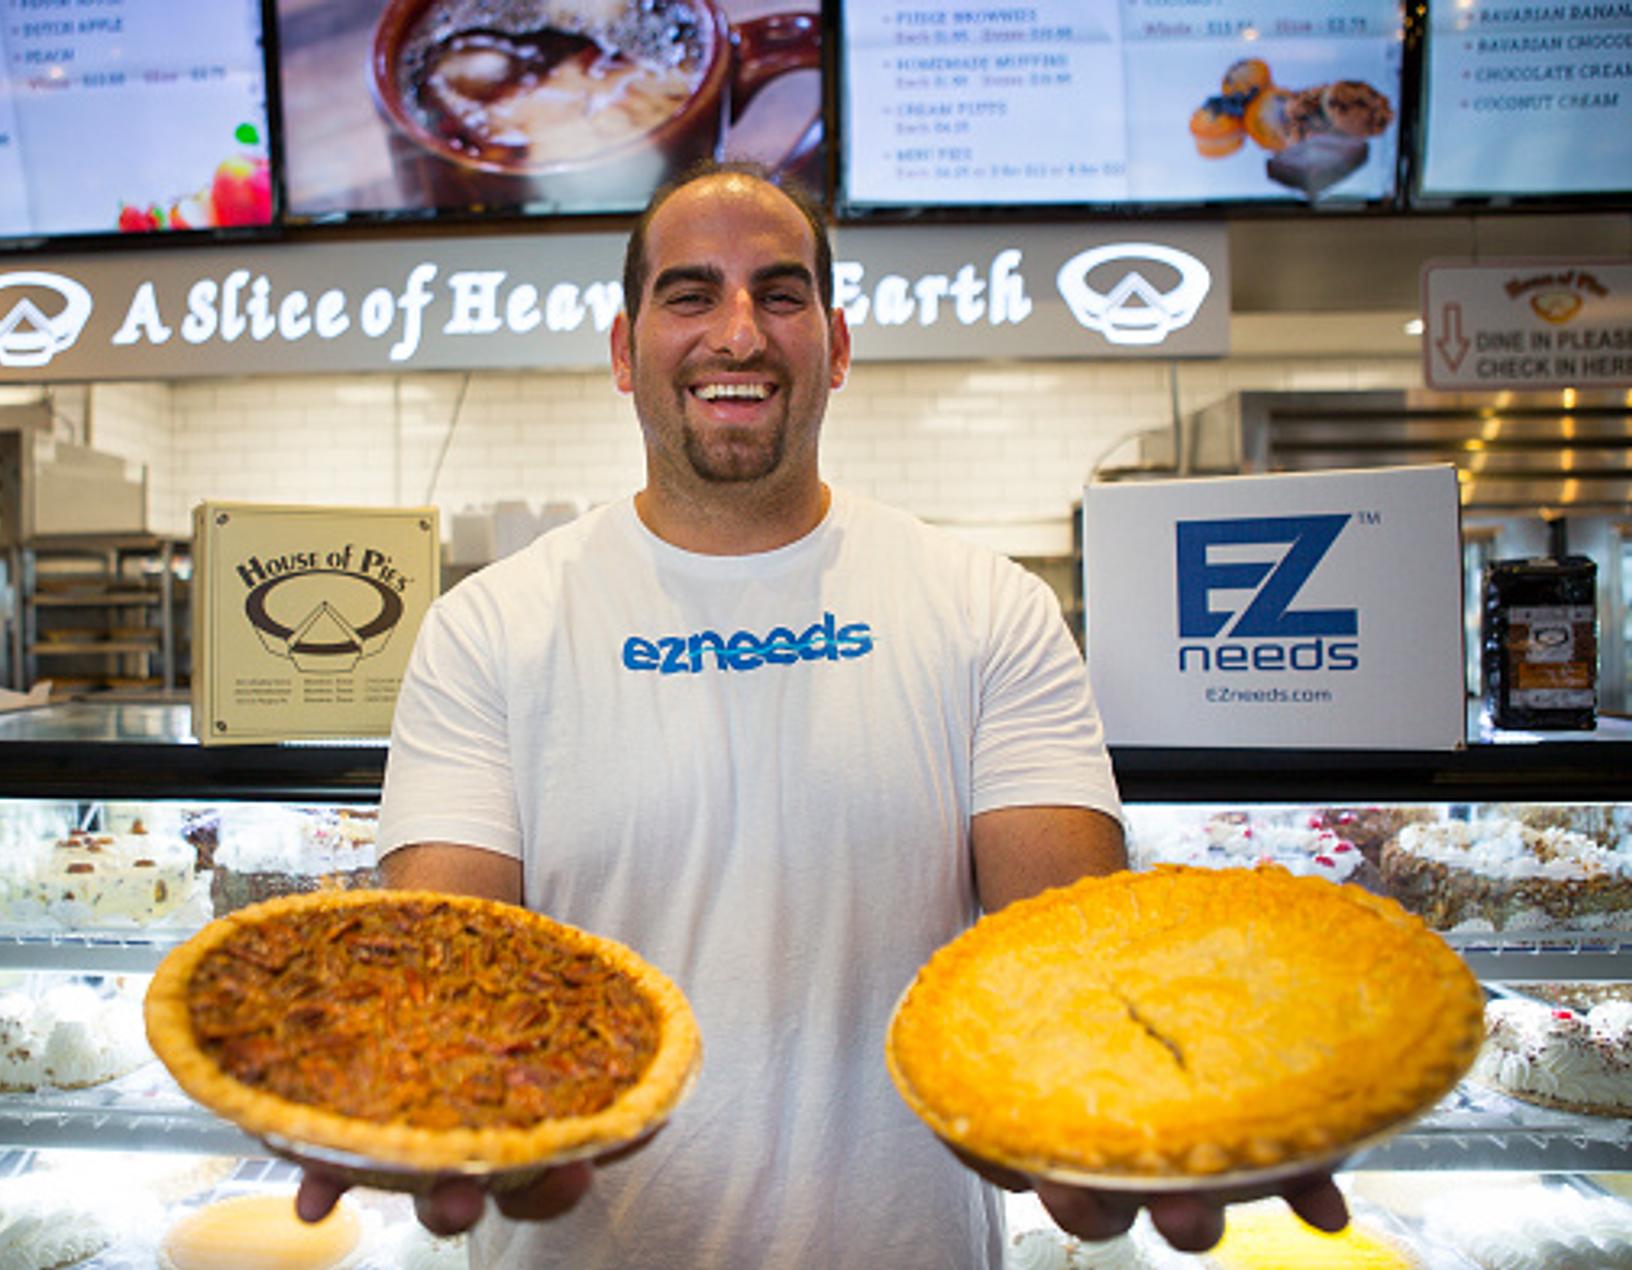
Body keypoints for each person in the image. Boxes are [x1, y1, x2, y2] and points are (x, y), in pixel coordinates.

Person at [297, 160, 1346, 1267]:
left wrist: (1130, 1110)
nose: (738, 334)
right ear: (624, 349)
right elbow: (446, 972)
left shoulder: (989, 608)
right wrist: (405, 1087)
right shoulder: (486, 631)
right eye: (691, 294)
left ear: (837, 347)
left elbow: (1067, 963)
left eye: (781, 294)